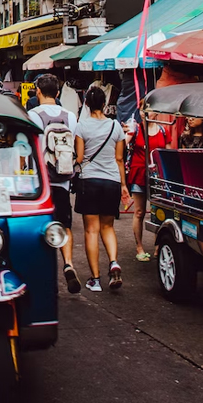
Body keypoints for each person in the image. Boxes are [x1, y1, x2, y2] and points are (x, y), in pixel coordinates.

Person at [27, 73, 81, 293]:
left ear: (38, 91)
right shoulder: (70, 116)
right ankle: (68, 263)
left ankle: (42, 270)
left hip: (40, 183)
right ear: (58, 93)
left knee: (40, 227)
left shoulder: (32, 115)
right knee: (65, 225)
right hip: (63, 180)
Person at [74, 86, 128, 291]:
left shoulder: (82, 127)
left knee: (91, 230)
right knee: (108, 227)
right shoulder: (116, 127)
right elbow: (120, 159)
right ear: (104, 104)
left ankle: (95, 280)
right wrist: (123, 185)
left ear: (86, 104)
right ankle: (113, 262)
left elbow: (79, 158)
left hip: (90, 181)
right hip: (112, 181)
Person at [126, 110, 173, 261]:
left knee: (158, 212)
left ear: (157, 112)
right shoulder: (136, 129)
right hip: (138, 172)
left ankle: (158, 246)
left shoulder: (163, 131)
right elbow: (121, 144)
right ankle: (139, 246)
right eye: (142, 109)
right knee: (139, 212)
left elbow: (168, 154)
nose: (145, 113)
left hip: (157, 176)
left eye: (149, 110)